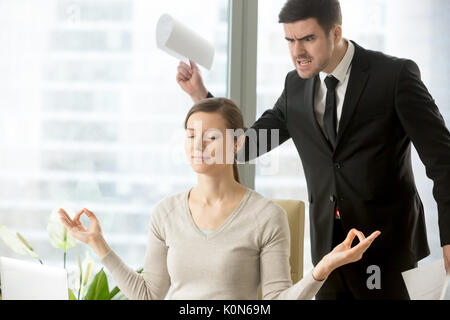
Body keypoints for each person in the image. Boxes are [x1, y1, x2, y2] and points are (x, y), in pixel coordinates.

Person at [176, 0, 450, 299]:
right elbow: (247, 146)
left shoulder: (394, 75)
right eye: (290, 40)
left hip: (386, 251)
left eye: (308, 39)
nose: (297, 52)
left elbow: (443, 163)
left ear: (335, 33)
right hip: (327, 256)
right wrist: (200, 95)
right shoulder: (296, 87)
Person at [58, 98, 380, 300]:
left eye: (211, 138)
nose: (198, 145)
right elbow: (148, 296)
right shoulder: (165, 212)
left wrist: (321, 269)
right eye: (191, 136)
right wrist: (99, 245)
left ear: (238, 144)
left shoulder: (267, 216)